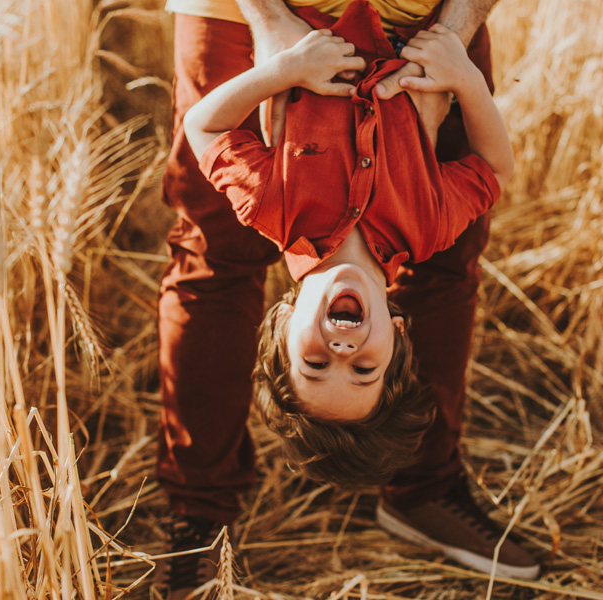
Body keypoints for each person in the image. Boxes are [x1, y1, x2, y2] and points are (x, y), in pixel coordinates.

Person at [153, 1, 539, 598]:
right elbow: (493, 168)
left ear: (282, 335)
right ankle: (200, 511)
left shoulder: (274, 207)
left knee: (445, 273)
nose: (341, 346)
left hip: (423, 17)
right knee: (215, 257)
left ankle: (423, 488)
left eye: (315, 362)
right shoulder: (426, 223)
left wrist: (280, 70)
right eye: (363, 367)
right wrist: (458, 70)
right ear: (396, 340)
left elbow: (206, 129)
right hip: (341, 31)